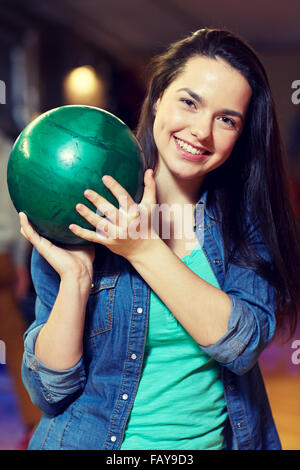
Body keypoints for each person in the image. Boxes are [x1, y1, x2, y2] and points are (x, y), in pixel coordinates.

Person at [19, 28, 300, 450]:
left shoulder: (244, 223)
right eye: (190, 102)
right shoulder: (82, 207)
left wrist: (144, 248)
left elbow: (240, 343)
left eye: (227, 119)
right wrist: (76, 281)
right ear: (159, 96)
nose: (201, 131)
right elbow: (51, 392)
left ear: (241, 135)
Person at [0, 129, 41, 446]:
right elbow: (14, 215)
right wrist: (17, 263)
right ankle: (33, 421)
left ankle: (33, 421)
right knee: (14, 338)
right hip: (2, 253)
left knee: (14, 336)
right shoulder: (6, 151)